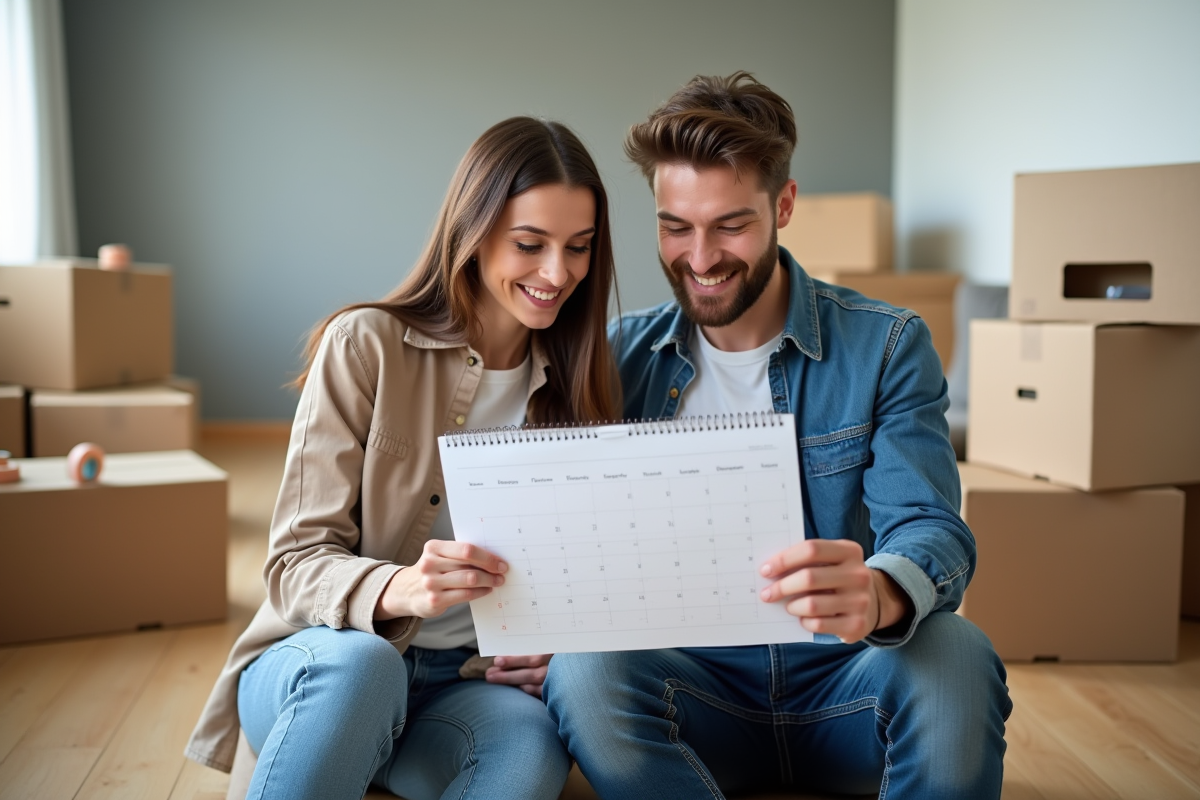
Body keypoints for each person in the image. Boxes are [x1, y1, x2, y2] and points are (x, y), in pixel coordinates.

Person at [543, 72, 1012, 799]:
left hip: (849, 684)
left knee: (956, 651)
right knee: (580, 669)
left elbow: (931, 530)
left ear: (783, 205)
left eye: (730, 225)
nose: (699, 259)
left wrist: (882, 591)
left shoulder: (886, 345)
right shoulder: (615, 356)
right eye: (675, 227)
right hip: (694, 700)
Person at [185, 116, 621, 800]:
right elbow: (292, 564)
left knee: (529, 752)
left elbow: (590, 574)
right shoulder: (366, 345)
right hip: (326, 667)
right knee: (365, 669)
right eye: (530, 244)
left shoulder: (585, 387)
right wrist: (399, 589)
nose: (557, 272)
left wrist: (561, 648)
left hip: (468, 688)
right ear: (473, 233)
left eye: (579, 247)